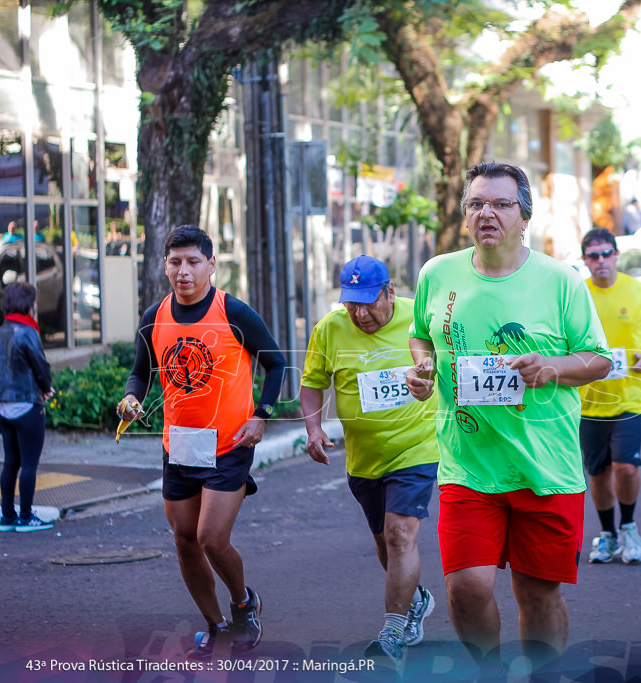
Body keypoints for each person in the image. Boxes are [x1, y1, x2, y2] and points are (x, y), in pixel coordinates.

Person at [405, 162, 610, 672]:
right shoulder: (437, 273)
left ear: (524, 216)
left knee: (537, 596)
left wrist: (552, 368)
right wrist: (423, 364)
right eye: (476, 204)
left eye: (500, 204)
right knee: (466, 591)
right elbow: (419, 334)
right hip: (468, 466)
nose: (487, 214)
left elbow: (598, 360)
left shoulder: (560, 280)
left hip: (546, 470)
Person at [117, 225, 285, 659]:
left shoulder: (235, 312)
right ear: (165, 266)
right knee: (184, 538)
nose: (183, 271)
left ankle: (243, 603)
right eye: (175, 262)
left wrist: (261, 417)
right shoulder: (154, 316)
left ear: (212, 265)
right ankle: (215, 625)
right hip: (180, 445)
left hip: (229, 443)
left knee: (211, 537)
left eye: (193, 261)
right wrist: (132, 397)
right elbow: (141, 371)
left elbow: (276, 364)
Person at [300, 255, 439, 663]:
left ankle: (393, 631)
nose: (359, 313)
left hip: (417, 448)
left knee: (400, 536)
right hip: (364, 460)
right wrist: (313, 429)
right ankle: (416, 599)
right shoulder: (330, 328)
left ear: (390, 292)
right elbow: (312, 383)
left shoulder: (420, 317)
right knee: (384, 541)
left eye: (367, 302)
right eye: (351, 303)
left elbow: (453, 364)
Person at [577, 228, 641, 565]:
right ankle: (607, 534)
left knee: (625, 467)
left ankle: (628, 526)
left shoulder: (636, 290)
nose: (601, 261)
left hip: (630, 397)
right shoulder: (577, 294)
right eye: (593, 255)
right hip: (588, 400)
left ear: (616, 255)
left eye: (606, 253)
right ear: (585, 260)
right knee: (598, 473)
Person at [0, 282, 54, 532]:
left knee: (11, 462)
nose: (36, 306)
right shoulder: (28, 332)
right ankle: (27, 516)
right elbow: (40, 366)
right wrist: (46, 387)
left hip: (3, 407)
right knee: (29, 463)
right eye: (34, 302)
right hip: (27, 404)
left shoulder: (0, 332)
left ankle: (7, 516)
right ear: (27, 305)